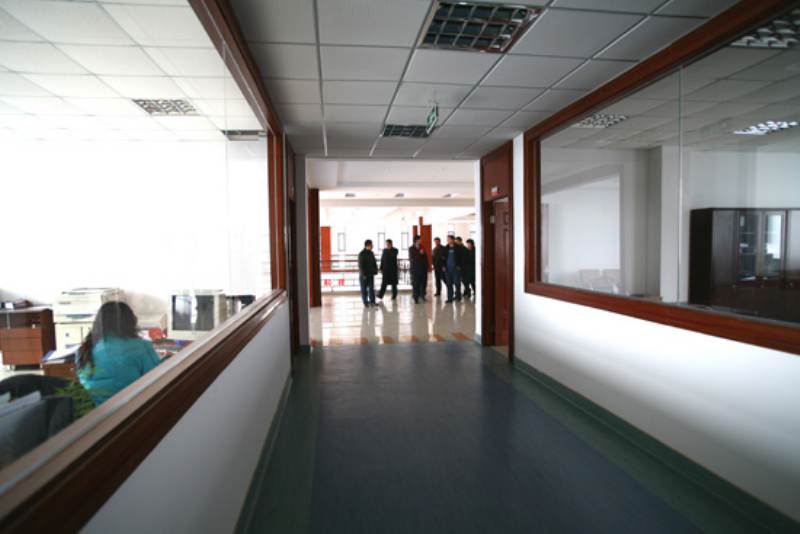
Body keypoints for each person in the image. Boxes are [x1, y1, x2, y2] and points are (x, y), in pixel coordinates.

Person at [77, 301, 161, 405]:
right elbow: (157, 379)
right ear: (130, 322)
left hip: (97, 410)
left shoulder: (83, 350)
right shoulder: (141, 347)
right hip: (130, 408)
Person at [445, 235, 466, 303]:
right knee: (449, 284)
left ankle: (458, 296)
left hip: (456, 269)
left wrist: (460, 266)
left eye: (449, 239)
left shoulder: (458, 248)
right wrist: (443, 266)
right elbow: (443, 258)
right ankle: (449, 298)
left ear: (452, 240)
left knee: (457, 283)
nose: (447, 240)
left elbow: (462, 258)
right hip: (448, 269)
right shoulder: (446, 248)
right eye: (447, 239)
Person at [408, 235, 429, 303]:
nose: (420, 240)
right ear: (416, 240)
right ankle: (416, 298)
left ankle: (423, 296)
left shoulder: (422, 247)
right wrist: (419, 253)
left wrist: (427, 267)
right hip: (415, 270)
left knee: (423, 284)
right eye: (419, 239)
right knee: (416, 284)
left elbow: (425, 258)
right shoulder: (411, 248)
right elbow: (412, 259)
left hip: (423, 269)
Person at [358, 239, 378, 307]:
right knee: (364, 290)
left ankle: (372, 302)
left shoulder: (371, 253)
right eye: (371, 245)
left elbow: (374, 262)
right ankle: (365, 302)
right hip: (364, 275)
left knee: (371, 289)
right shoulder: (361, 254)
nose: (372, 246)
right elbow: (361, 266)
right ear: (368, 245)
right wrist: (364, 275)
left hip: (370, 274)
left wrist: (375, 270)